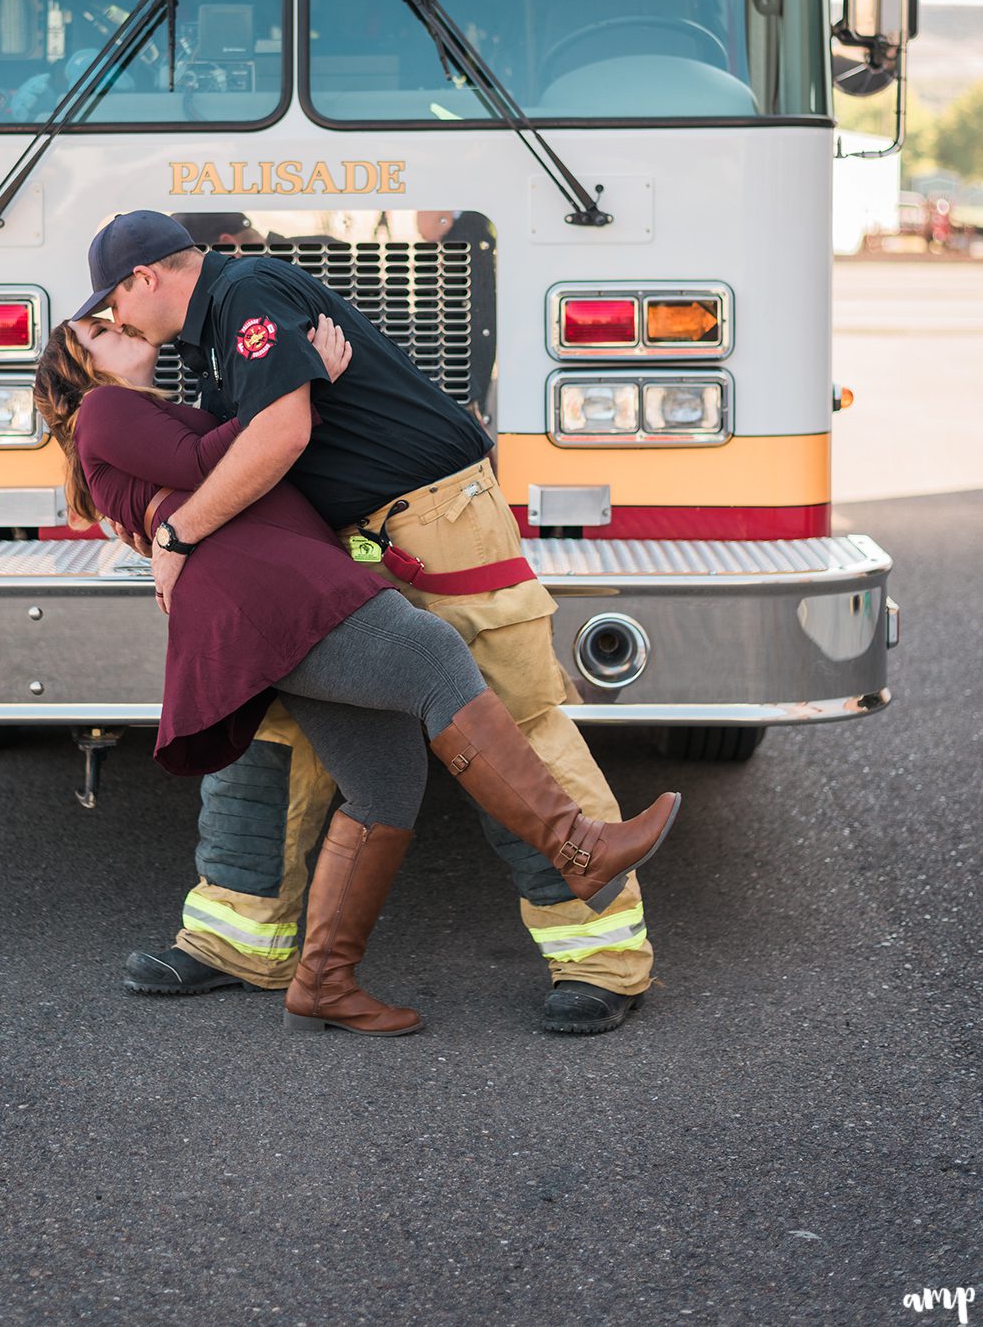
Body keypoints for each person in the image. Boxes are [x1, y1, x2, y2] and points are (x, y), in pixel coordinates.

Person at [75, 210, 672, 1038]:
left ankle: (600, 958)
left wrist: (178, 536)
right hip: (339, 542)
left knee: (509, 720)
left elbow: (277, 434)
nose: (120, 321)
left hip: (434, 521)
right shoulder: (203, 342)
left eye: (115, 304)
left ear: (145, 278)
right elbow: (236, 443)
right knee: (280, 728)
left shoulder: (244, 294)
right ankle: (241, 939)